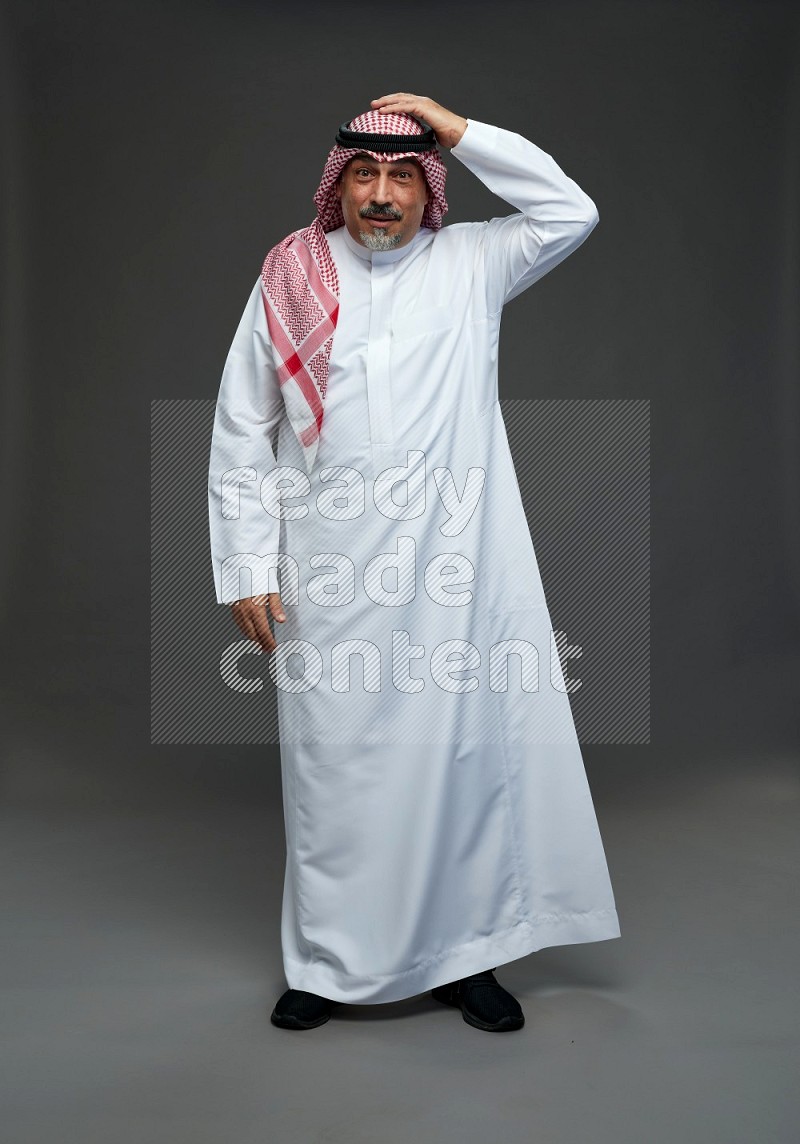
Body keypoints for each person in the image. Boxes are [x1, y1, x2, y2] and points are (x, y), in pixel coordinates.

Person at [207, 93, 621, 1034]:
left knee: (461, 761)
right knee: (335, 768)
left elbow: (571, 211)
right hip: (330, 567)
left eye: (401, 175)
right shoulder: (289, 279)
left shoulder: (472, 261)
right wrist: (246, 566)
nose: (382, 196)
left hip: (454, 569)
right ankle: (326, 963)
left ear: (427, 185)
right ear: (337, 186)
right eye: (364, 175)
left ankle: (467, 955)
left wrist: (459, 127)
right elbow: (243, 426)